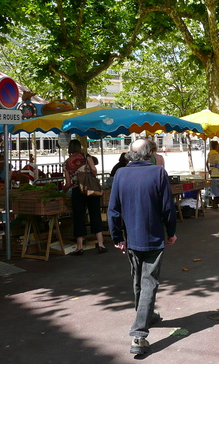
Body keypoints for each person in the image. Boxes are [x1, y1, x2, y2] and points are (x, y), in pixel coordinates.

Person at [107, 138, 177, 355]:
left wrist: (117, 236)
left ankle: (146, 315)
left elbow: (113, 210)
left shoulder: (120, 174)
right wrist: (171, 231)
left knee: (138, 279)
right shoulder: (158, 173)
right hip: (153, 237)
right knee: (149, 282)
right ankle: (139, 334)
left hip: (131, 238)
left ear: (131, 153)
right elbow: (168, 207)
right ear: (150, 153)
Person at [63, 139, 107, 255]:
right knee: (95, 214)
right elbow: (93, 169)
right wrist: (90, 177)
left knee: (79, 217)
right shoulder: (86, 156)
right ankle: (101, 244)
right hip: (91, 189)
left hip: (77, 190)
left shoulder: (67, 163)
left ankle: (79, 247)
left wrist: (63, 191)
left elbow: (67, 183)